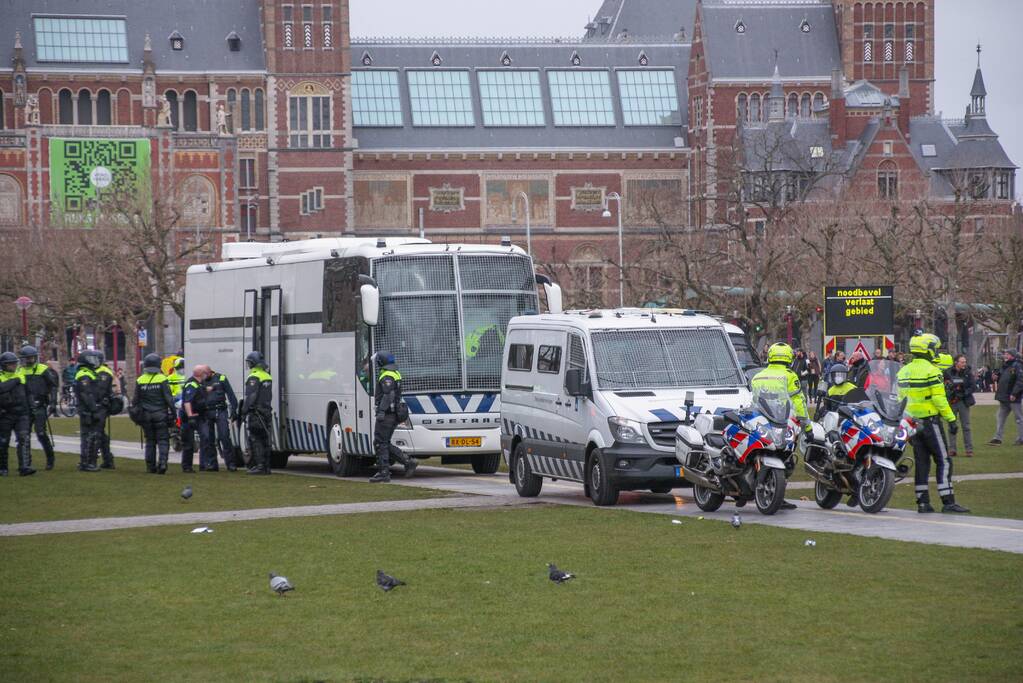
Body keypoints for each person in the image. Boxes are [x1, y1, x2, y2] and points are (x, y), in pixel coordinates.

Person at [897, 334, 968, 513]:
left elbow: (899, 399)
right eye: (933, 348)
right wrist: (951, 419)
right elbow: (938, 399)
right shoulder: (932, 371)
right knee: (943, 460)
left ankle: (923, 502)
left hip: (911, 423)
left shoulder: (903, 371)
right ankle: (948, 501)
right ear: (928, 349)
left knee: (922, 462)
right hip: (930, 422)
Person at [749, 343, 807, 510]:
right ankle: (777, 492)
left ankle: (772, 490)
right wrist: (806, 424)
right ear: (789, 357)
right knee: (785, 454)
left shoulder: (758, 375)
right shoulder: (789, 375)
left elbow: (752, 398)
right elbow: (799, 401)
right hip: (781, 420)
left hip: (760, 420)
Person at [369, 351, 418, 483]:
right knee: (383, 442)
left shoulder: (387, 375)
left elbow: (388, 395)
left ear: (381, 362)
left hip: (388, 414)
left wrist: (381, 412)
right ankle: (407, 461)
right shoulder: (394, 373)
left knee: (380, 442)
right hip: (394, 413)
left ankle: (384, 472)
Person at [133, 353, 175, 474]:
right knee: (163, 440)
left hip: (146, 416)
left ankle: (150, 466)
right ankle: (162, 463)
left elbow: (136, 400)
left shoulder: (140, 380)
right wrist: (174, 414)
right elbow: (169, 399)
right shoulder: (162, 379)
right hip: (160, 414)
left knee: (150, 441)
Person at [19, 345, 58, 470]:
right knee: (25, 435)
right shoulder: (20, 371)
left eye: (31, 358)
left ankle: (50, 458)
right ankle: (26, 462)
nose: (29, 360)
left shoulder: (43, 369)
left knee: (41, 432)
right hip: (26, 406)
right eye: (26, 358)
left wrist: (53, 403)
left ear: (35, 358)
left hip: (40, 405)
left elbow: (53, 386)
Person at [239, 351, 273, 475]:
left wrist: (244, 411)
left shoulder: (254, 376)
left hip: (256, 412)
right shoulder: (267, 376)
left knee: (255, 438)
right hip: (266, 411)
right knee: (266, 439)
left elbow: (251, 396)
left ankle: (259, 466)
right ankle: (267, 467)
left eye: (249, 362)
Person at [0, 351, 33, 476]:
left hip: (21, 413)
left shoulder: (21, 375)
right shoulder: (2, 376)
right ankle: (3, 468)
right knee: (3, 441)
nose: (13, 366)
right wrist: (15, 381)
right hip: (5, 414)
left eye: (14, 364)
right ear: (4, 365)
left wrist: (32, 406)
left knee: (24, 438)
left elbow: (28, 392)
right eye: (10, 364)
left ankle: (24, 466)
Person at [202, 365, 240, 471]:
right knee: (209, 439)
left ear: (209, 372)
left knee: (224, 437)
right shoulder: (201, 381)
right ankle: (212, 464)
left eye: (205, 374)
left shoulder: (221, 378)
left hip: (220, 411)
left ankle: (231, 464)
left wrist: (234, 411)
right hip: (207, 412)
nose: (203, 376)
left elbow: (231, 395)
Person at [180, 366, 214, 472]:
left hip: (200, 415)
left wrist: (211, 388)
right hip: (190, 417)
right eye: (205, 372)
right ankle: (187, 466)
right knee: (189, 442)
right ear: (201, 374)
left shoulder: (199, 383)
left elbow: (203, 390)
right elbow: (187, 401)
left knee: (206, 438)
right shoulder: (191, 384)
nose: (206, 374)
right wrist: (190, 416)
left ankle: (203, 465)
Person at [74, 350, 104, 472]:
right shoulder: (84, 374)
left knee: (90, 436)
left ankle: (88, 461)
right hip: (87, 410)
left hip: (89, 409)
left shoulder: (89, 373)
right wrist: (94, 409)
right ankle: (87, 462)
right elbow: (86, 394)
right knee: (89, 436)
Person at [988, 349, 1023, 447]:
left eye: (1007, 354)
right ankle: (998, 438)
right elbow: (1003, 378)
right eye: (1005, 354)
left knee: (1019, 418)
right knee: (1000, 417)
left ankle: (1021, 438)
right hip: (1004, 397)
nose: (1005, 355)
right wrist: (996, 377)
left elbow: (1020, 381)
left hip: (1013, 397)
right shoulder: (1005, 366)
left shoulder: (1017, 365)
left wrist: (1014, 393)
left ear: (1012, 355)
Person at [945, 354, 976, 457]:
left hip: (963, 401)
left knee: (966, 426)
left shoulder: (968, 372)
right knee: (952, 425)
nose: (964, 364)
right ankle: (952, 449)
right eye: (962, 362)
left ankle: (969, 450)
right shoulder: (948, 372)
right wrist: (950, 389)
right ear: (956, 362)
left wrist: (964, 392)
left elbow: (973, 386)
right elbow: (943, 384)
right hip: (952, 401)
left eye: (965, 362)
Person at [94, 351, 117, 469]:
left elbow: (100, 390)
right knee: (100, 433)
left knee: (97, 432)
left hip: (101, 405)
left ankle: (93, 459)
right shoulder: (95, 370)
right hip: (98, 405)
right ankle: (107, 458)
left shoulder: (104, 372)